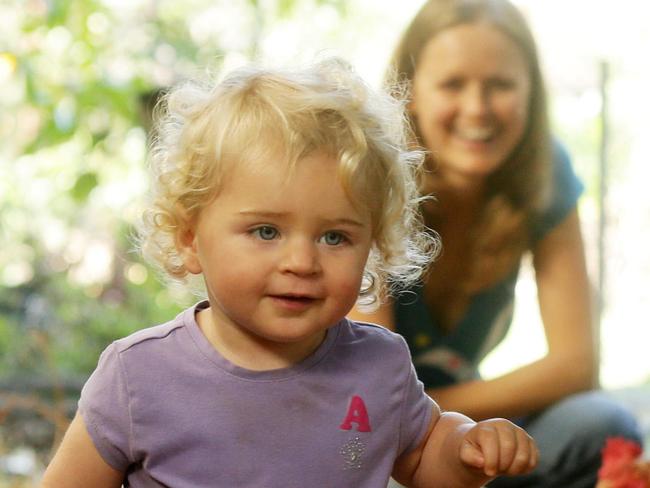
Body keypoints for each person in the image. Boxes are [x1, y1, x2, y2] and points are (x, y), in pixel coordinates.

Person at [40, 58, 539, 488]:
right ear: (191, 238)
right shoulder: (138, 377)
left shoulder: (378, 366)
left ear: (373, 245)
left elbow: (426, 456)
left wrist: (467, 448)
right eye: (265, 232)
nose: (301, 263)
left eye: (335, 237)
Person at [348, 1, 643, 487]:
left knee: (603, 426)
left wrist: (462, 431)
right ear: (410, 92)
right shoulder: (369, 178)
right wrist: (439, 426)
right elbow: (375, 396)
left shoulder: (545, 173)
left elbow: (576, 366)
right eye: (452, 84)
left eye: (500, 85)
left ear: (531, 93)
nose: (478, 108)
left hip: (456, 431)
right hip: (369, 440)